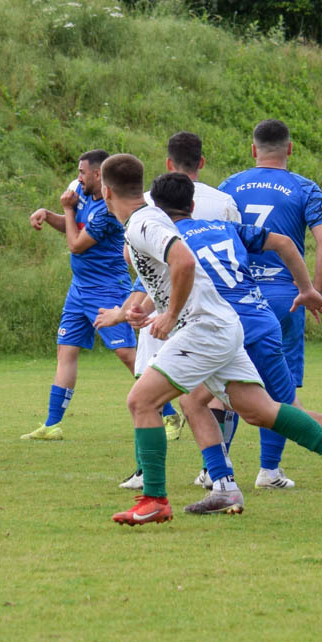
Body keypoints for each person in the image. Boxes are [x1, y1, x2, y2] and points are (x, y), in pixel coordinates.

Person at [100, 155, 322, 525]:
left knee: (141, 401)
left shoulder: (142, 223)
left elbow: (184, 262)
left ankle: (155, 500)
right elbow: (171, 271)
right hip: (222, 325)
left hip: (203, 329)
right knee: (260, 410)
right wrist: (143, 309)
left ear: (106, 191)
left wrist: (171, 314)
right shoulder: (151, 219)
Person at [117, 131, 242, 486]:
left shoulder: (145, 205)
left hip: (172, 310)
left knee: (146, 393)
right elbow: (234, 248)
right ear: (201, 162)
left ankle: (147, 475)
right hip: (220, 308)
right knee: (233, 397)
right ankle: (215, 471)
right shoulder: (223, 202)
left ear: (168, 162)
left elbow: (140, 259)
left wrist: (151, 306)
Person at [220, 118, 322, 489]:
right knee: (278, 389)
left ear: (253, 150)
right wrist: (312, 292)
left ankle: (215, 467)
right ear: (289, 148)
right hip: (283, 298)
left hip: (236, 295)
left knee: (223, 381)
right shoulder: (304, 188)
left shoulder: (229, 187)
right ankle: (269, 471)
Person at [21, 149, 137, 440]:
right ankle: (51, 425)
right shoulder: (80, 192)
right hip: (80, 288)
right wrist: (50, 215)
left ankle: (169, 413)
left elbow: (76, 244)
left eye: (82, 172)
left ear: (99, 174)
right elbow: (73, 227)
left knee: (126, 353)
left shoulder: (109, 210)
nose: (78, 177)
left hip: (108, 288)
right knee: (66, 351)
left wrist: (68, 210)